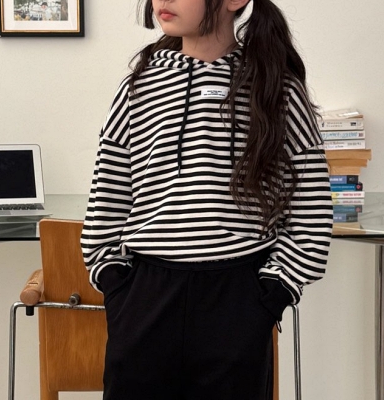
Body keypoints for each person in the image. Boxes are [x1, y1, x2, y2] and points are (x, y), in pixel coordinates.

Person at [81, 0, 333, 399]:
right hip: (146, 296)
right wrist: (116, 286)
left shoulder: (277, 89)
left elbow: (311, 209)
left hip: (237, 297)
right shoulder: (138, 87)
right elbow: (108, 195)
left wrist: (272, 295)